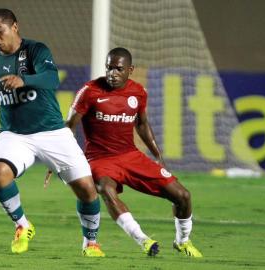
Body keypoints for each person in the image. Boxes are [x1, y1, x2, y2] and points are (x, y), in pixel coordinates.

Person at [0, 8, 104, 257]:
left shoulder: (35, 50)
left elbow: (52, 78)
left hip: (52, 132)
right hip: (15, 135)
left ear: (14, 27)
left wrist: (24, 80)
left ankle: (91, 242)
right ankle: (22, 226)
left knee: (87, 189)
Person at [65, 47, 203, 257]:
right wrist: (63, 155)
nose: (112, 73)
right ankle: (144, 240)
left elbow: (142, 124)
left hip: (130, 156)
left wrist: (157, 154)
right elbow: (69, 126)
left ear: (130, 70)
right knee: (107, 191)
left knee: (183, 196)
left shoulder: (138, 91)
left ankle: (182, 241)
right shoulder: (90, 91)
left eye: (118, 69)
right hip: (100, 159)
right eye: (109, 68)